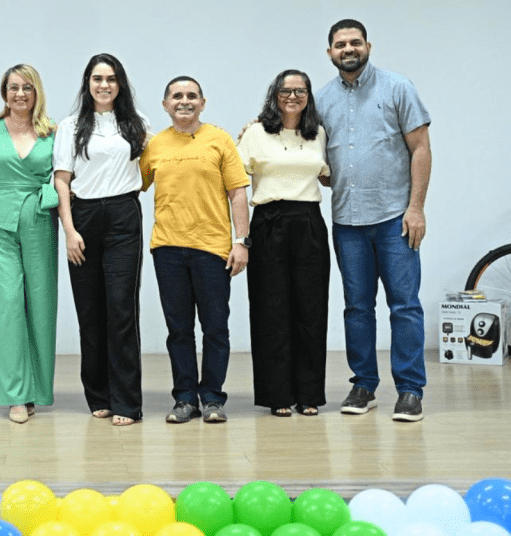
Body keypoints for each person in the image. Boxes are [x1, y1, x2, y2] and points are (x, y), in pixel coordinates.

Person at [318, 19, 432, 423]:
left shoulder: (398, 87)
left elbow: (421, 148)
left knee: (404, 306)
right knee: (357, 308)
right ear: (329, 53)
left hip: (394, 219)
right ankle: (364, 384)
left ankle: (410, 390)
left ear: (368, 46)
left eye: (355, 42)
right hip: (347, 221)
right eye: (340, 44)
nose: (348, 49)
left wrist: (416, 208)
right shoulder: (321, 99)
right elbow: (318, 161)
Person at [140, 76, 250, 424]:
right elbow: (132, 184)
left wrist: (241, 242)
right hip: (167, 249)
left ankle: (213, 398)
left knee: (215, 328)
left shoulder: (219, 139)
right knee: (179, 330)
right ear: (165, 105)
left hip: (212, 249)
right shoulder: (155, 145)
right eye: (177, 96)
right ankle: (185, 399)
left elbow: (237, 193)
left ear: (203, 103)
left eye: (191, 95)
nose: (184, 101)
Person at [53, 53, 150, 426]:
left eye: (111, 78)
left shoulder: (137, 124)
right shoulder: (71, 126)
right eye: (97, 78)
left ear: (120, 84)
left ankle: (127, 402)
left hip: (124, 216)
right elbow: (62, 180)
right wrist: (69, 230)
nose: (104, 85)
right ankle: (98, 394)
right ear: (88, 83)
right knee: (90, 311)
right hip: (84, 218)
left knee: (122, 309)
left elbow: (162, 155)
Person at [0, 64, 59, 424]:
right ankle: (15, 395)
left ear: (37, 92)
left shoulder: (53, 130)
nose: (19, 94)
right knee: (7, 305)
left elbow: (71, 172)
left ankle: (35, 390)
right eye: (13, 88)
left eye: (26, 88)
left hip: (39, 218)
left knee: (40, 303)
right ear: (4, 93)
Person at [237, 70, 330, 417]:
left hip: (308, 222)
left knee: (311, 309)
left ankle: (309, 394)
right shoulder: (255, 133)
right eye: (286, 90)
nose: (293, 96)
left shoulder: (318, 133)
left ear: (308, 96)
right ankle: (277, 394)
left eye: (300, 91)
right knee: (270, 309)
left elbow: (329, 175)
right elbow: (235, 181)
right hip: (269, 221)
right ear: (274, 94)